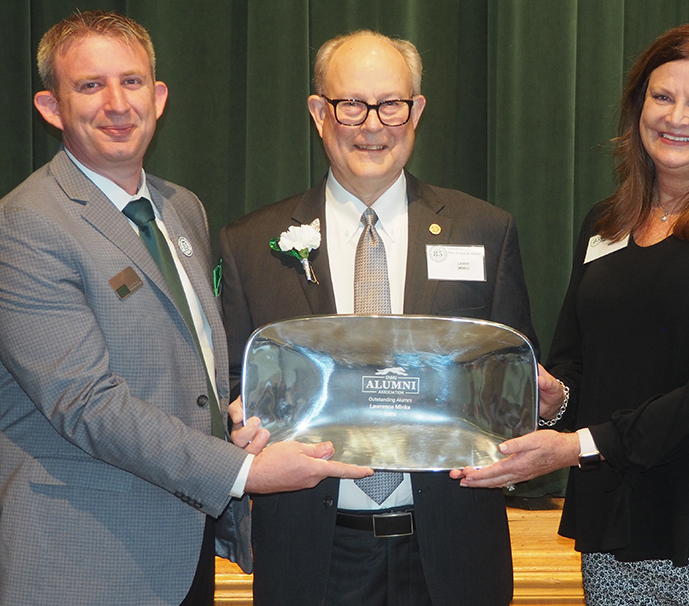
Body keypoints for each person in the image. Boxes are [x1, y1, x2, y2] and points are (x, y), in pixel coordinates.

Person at [0, 11, 369, 606]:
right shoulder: (22, 228)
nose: (116, 103)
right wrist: (245, 475)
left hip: (181, 552)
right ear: (51, 108)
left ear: (158, 98)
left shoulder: (182, 210)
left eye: (131, 82)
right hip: (78, 563)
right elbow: (86, 404)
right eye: (89, 85)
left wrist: (242, 414)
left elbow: (189, 368)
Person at [452, 23, 689, 606]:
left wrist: (580, 445)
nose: (676, 117)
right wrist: (550, 400)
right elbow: (575, 366)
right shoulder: (605, 223)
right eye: (661, 96)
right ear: (638, 105)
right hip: (617, 523)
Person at [219, 30, 540, 606]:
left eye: (390, 104)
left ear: (416, 112)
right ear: (320, 113)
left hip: (454, 553)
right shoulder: (249, 246)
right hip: (310, 555)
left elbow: (519, 385)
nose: (372, 125)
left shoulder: (484, 231)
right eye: (351, 105)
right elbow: (227, 388)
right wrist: (234, 418)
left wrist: (542, 404)